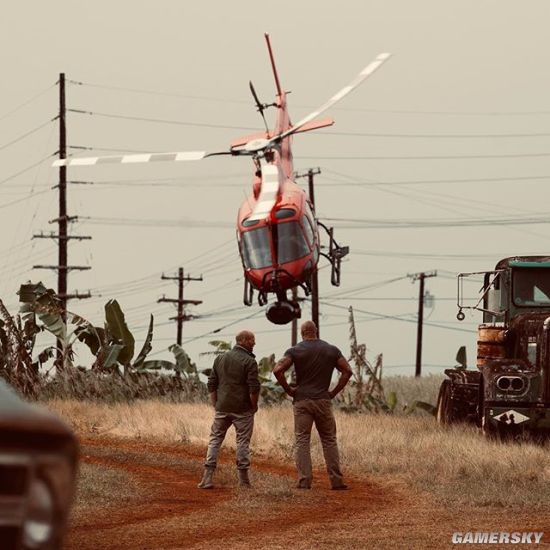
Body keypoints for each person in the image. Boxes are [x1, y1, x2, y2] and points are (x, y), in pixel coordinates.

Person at [273, 320, 352, 490]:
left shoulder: (295, 351)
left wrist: (289, 389)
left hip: (302, 400)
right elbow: (347, 371)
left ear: (302, 333)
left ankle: (305, 481)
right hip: (323, 400)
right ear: (316, 331)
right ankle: (337, 481)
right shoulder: (331, 350)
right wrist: (333, 392)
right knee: (329, 440)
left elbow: (277, 370)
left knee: (302, 440)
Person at [197, 330, 260, 489]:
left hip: (222, 407)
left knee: (215, 440)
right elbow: (254, 388)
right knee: (242, 442)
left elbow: (211, 383)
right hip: (243, 409)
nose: (254, 343)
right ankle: (244, 481)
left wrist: (216, 404)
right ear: (244, 340)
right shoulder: (249, 361)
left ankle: (207, 478)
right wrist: (254, 406)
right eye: (252, 340)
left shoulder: (220, 358)